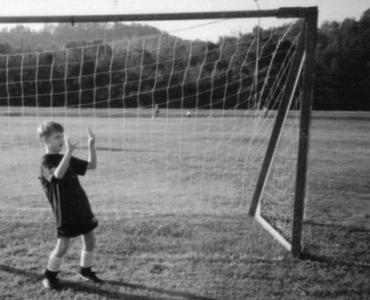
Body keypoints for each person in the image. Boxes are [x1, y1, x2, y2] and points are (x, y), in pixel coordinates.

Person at [37, 121, 102, 290]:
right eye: (56, 137)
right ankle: (49, 276)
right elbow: (57, 175)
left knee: (90, 238)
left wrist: (91, 145)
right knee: (63, 245)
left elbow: (92, 165)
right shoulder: (46, 162)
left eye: (61, 136)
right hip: (65, 210)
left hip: (80, 204)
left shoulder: (64, 157)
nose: (61, 140)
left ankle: (85, 271)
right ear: (45, 140)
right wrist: (69, 152)